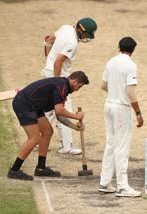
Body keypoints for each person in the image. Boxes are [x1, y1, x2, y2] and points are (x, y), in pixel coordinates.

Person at [7, 71, 90, 181]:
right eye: (79, 86)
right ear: (75, 81)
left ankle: (41, 168)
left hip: (34, 106)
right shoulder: (62, 86)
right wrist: (76, 116)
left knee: (47, 131)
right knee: (34, 137)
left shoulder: (63, 88)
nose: (78, 89)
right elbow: (59, 110)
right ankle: (14, 170)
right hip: (24, 104)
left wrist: (75, 127)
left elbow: (59, 115)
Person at [41, 17, 97, 155]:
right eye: (86, 35)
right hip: (57, 76)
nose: (86, 38)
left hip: (49, 72)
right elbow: (58, 62)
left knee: (50, 109)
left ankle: (39, 140)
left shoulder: (65, 27)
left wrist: (48, 60)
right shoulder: (72, 43)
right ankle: (67, 146)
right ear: (80, 30)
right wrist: (57, 83)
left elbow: (48, 40)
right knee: (65, 107)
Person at [98, 37, 143, 197]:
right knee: (122, 146)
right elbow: (130, 92)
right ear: (133, 49)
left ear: (119, 47)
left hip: (109, 105)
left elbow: (103, 85)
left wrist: (115, 93)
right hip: (121, 109)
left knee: (111, 144)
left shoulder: (111, 62)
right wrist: (138, 112)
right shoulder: (130, 65)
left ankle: (105, 182)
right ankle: (122, 187)